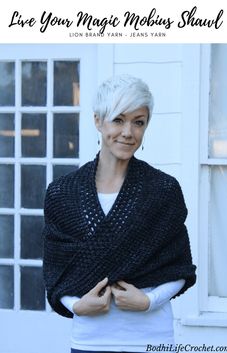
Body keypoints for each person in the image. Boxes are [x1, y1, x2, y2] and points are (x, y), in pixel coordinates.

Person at [42, 74, 196, 353]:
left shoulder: (163, 189)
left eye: (138, 122)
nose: (128, 132)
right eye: (118, 120)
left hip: (152, 339)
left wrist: (149, 301)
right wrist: (76, 305)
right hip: (90, 339)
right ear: (98, 121)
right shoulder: (62, 193)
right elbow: (56, 272)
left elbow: (180, 266)